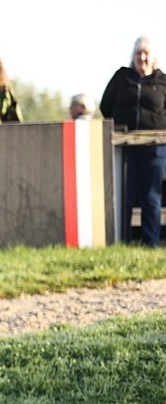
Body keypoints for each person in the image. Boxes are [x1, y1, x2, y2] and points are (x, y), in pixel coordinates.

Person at [101, 36, 166, 247]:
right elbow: (105, 105)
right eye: (138, 53)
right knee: (123, 196)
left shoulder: (162, 81)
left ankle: (151, 243)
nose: (142, 57)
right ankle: (121, 242)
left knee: (151, 197)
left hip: (154, 147)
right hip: (125, 147)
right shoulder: (122, 77)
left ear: (153, 56)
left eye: (146, 53)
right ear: (133, 56)